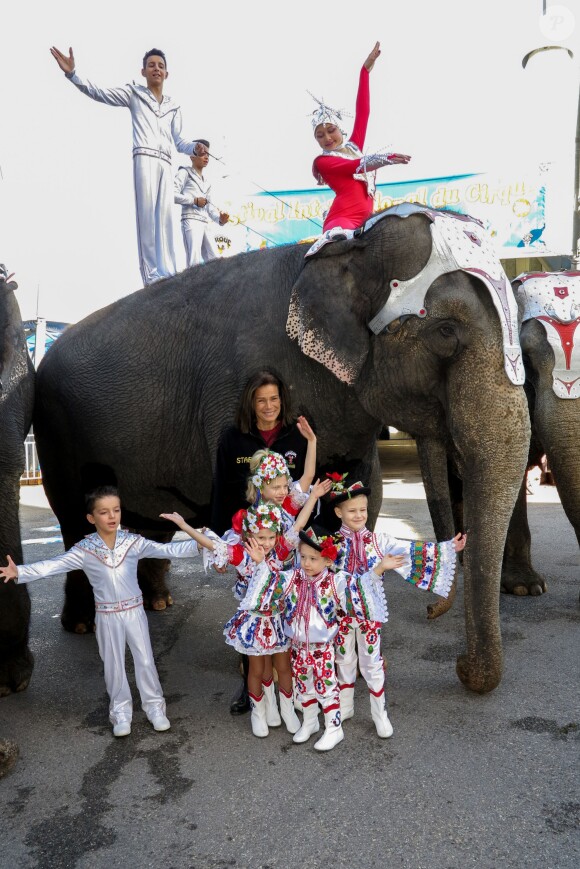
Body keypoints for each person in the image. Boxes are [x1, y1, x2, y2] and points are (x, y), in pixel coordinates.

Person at [0, 486, 208, 738]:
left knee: (145, 661)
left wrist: (197, 540)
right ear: (91, 518)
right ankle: (120, 713)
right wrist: (19, 572)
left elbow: (167, 550)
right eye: (104, 512)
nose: (112, 516)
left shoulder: (133, 542)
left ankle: (155, 708)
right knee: (113, 666)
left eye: (116, 510)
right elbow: (52, 565)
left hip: (134, 613)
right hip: (107, 617)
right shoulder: (85, 550)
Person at [161, 483, 327, 739]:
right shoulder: (241, 554)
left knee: (284, 667)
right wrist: (184, 526)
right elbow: (211, 544)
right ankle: (260, 711)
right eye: (261, 538)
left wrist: (313, 496)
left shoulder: (281, 550)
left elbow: (296, 527)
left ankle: (286, 710)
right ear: (249, 536)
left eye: (271, 537)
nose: (268, 543)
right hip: (256, 621)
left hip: (279, 618)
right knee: (257, 670)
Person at [240, 525, 408, 751]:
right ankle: (309, 722)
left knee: (326, 687)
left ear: (328, 561)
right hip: (298, 646)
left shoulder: (335, 581)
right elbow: (272, 584)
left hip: (322, 648)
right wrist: (261, 563)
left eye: (314, 558)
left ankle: (334, 728)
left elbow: (358, 589)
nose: (307, 563)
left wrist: (378, 569)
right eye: (303, 557)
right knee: (303, 685)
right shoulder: (293, 578)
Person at [50, 45, 202, 286]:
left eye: (160, 66)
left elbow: (179, 141)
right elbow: (99, 92)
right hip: (144, 157)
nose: (156, 69)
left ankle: (170, 273)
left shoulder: (174, 106)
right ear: (143, 71)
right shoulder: (134, 94)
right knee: (147, 219)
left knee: (165, 221)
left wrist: (194, 148)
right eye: (151, 65)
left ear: (167, 74)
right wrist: (73, 74)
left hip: (166, 162)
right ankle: (152, 275)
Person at [328, 475, 467, 737]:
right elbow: (326, 576)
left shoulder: (379, 541)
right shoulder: (332, 545)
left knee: (372, 662)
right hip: (342, 614)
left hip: (370, 615)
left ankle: (379, 714)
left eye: (363, 510)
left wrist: (446, 549)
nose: (359, 515)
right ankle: (344, 707)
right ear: (338, 512)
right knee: (344, 659)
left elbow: (409, 551)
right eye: (352, 511)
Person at [309, 41, 411, 237]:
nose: (327, 138)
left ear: (340, 131)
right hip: (342, 221)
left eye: (331, 130)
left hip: (367, 221)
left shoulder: (353, 148)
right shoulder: (323, 162)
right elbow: (356, 165)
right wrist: (386, 158)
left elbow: (363, 112)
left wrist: (364, 72)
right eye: (320, 136)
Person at [174, 140, 230, 267]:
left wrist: (220, 220)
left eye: (208, 154)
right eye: (202, 153)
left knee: (215, 262)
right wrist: (193, 200)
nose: (206, 157)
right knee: (193, 262)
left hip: (205, 223)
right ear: (192, 156)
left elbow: (210, 208)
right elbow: (172, 195)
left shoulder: (207, 182)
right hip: (191, 220)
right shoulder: (184, 173)